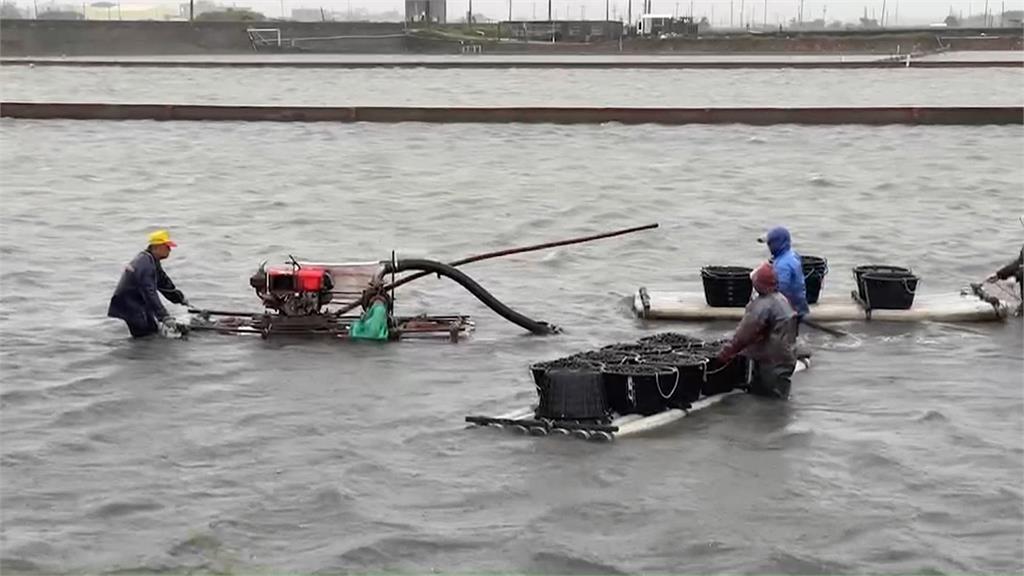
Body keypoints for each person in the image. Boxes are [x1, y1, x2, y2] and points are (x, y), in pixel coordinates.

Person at [716, 262, 798, 400]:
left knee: (768, 401)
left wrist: (725, 354)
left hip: (770, 362)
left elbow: (743, 336)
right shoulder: (782, 300)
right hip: (786, 358)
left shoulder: (762, 306)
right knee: (778, 400)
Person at [107, 230, 189, 338]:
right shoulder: (145, 265)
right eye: (167, 246)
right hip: (130, 305)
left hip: (138, 302)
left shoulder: (150, 259)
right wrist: (164, 317)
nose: (170, 250)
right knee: (144, 336)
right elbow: (149, 292)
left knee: (152, 332)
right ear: (156, 247)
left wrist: (179, 298)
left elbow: (163, 283)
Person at [758, 226, 809, 319]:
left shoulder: (783, 265)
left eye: (770, 243)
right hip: (800, 303)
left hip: (791, 308)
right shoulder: (792, 254)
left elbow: (781, 290)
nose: (768, 246)